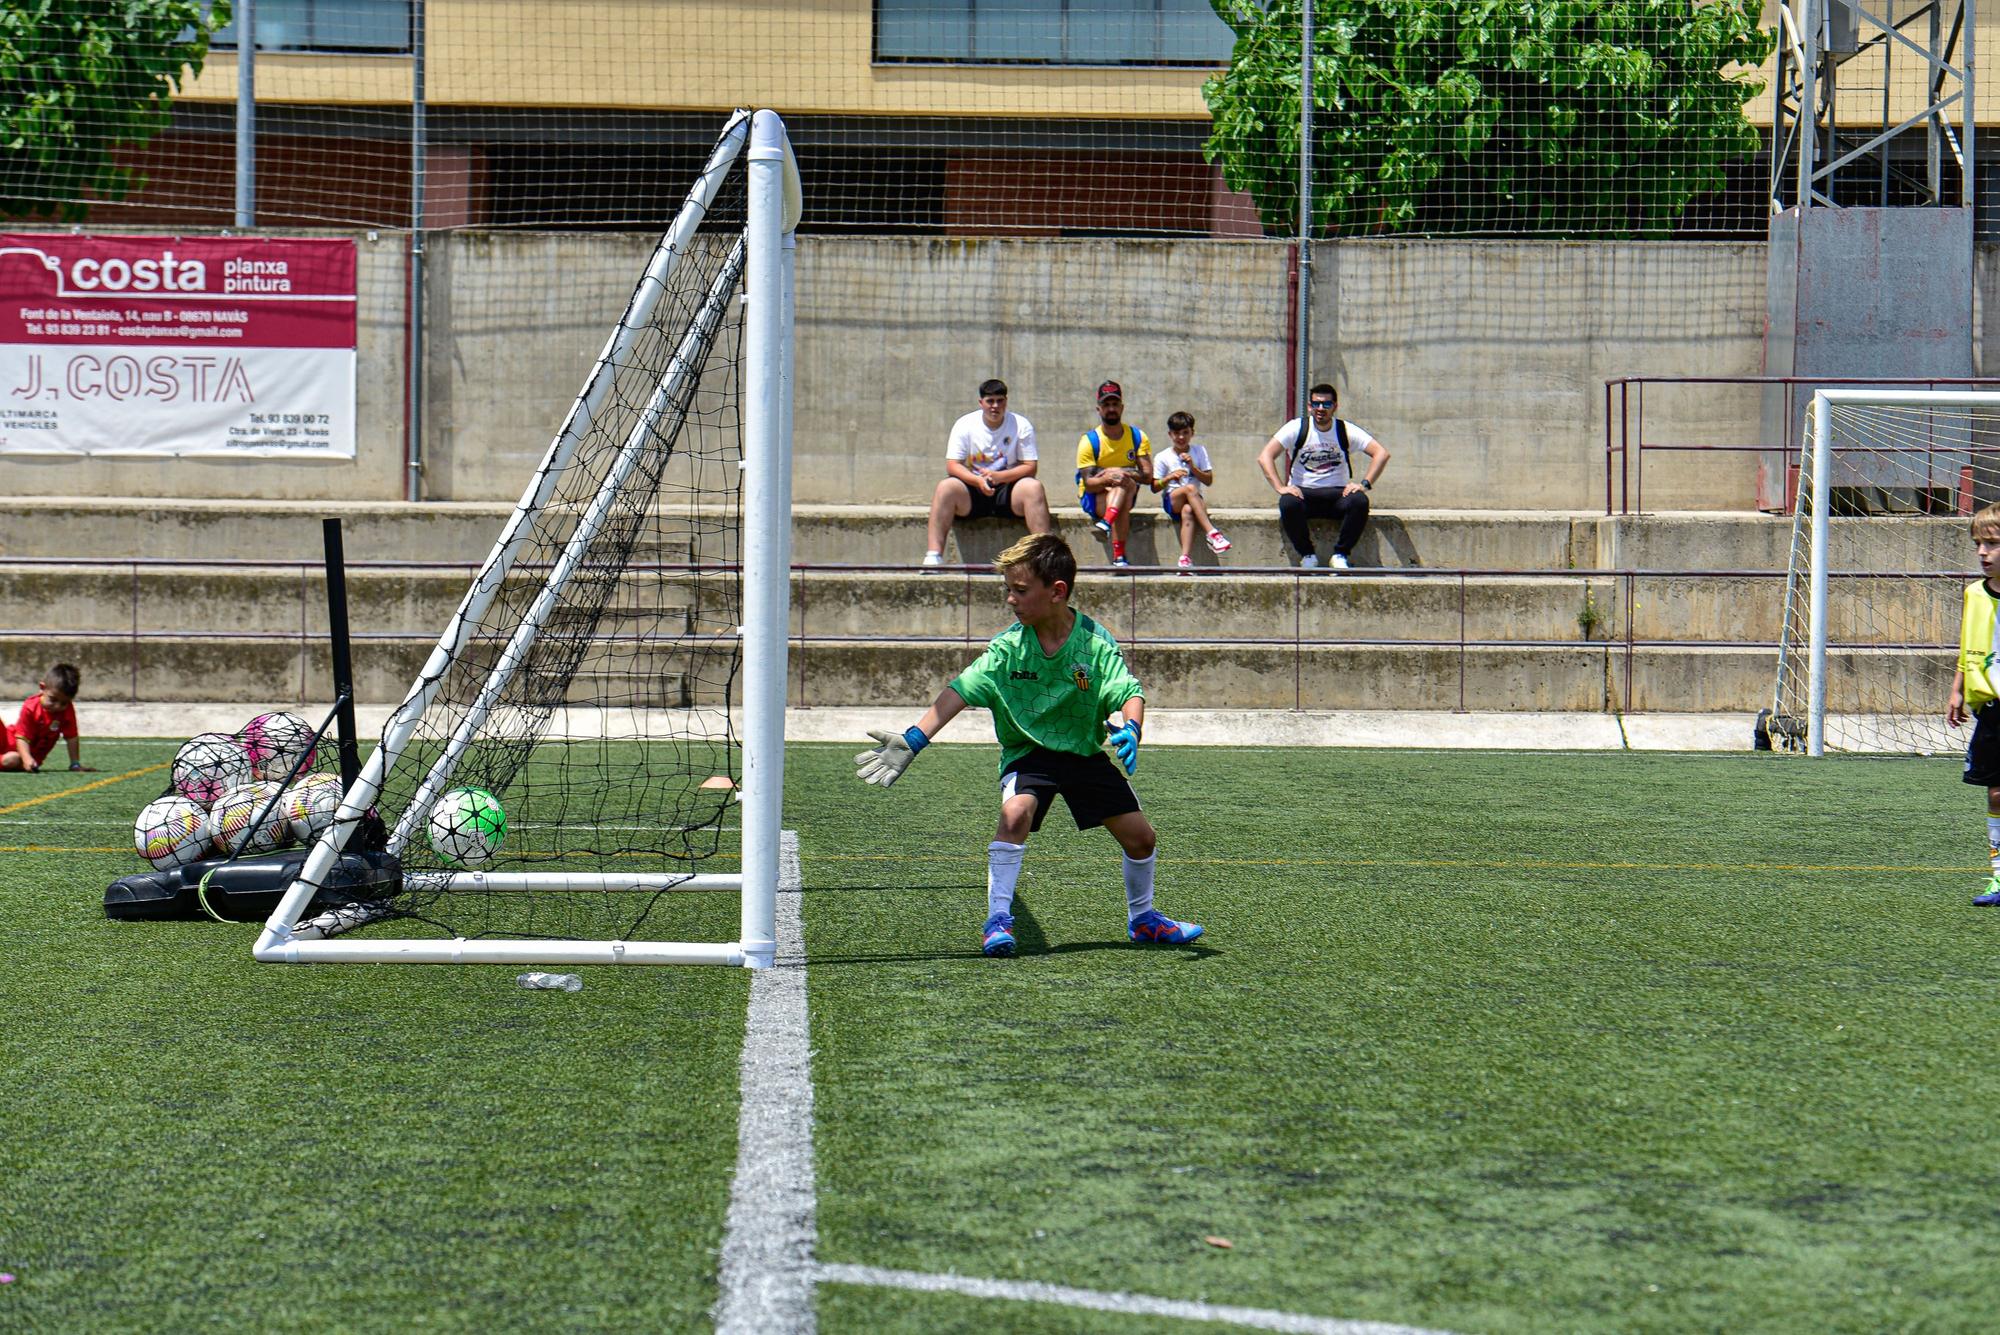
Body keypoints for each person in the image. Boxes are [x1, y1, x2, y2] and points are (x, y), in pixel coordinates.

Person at [853, 532, 1204, 956]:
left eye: (1020, 590)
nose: (1010, 600)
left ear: (1057, 592)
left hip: (1083, 753)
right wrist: (914, 739)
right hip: (1030, 754)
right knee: (1015, 812)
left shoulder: (1094, 643)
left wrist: (1132, 727)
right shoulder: (1007, 650)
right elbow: (959, 691)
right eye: (1008, 590)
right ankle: (997, 920)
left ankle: (1143, 920)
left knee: (1141, 839)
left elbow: (1125, 688)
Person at [1256, 382, 1391, 569]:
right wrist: (1280, 487)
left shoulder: (1344, 429)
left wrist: (1364, 484)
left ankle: (1340, 555)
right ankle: (1308, 555)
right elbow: (1265, 457)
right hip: (1304, 495)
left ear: (1335, 406)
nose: (1321, 409)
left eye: (1327, 404)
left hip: (1337, 496)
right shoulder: (1297, 428)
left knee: (1360, 501)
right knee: (1287, 502)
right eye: (1316, 404)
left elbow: (1381, 453)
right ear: (1309, 406)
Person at [923, 378, 1053, 567]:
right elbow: (952, 465)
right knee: (946, 487)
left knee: (1033, 487)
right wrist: (977, 481)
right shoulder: (965, 424)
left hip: (1008, 490)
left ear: (1006, 402)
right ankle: (933, 556)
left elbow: (1030, 466)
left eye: (1000, 401)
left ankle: (1044, 558)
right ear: (981, 403)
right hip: (972, 490)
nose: (995, 406)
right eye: (990, 401)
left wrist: (1000, 477)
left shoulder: (1021, 425)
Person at [1947, 502, 2000, 904]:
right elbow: (1969, 646)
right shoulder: (1973, 594)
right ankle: (1998, 877)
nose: (1983, 552)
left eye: (1993, 544)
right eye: (1979, 544)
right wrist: (1958, 689)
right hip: (1993, 709)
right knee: (1996, 792)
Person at [1075, 380, 1150, 568]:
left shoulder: (1137, 437)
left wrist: (1120, 472)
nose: (1111, 409)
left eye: (1115, 404)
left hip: (1123, 493)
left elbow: (1148, 476)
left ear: (1122, 407)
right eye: (1106, 405)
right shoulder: (1089, 441)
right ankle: (1119, 557)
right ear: (1098, 409)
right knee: (1123, 497)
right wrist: (1108, 477)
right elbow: (1089, 483)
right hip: (1095, 497)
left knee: (1125, 484)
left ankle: (1107, 522)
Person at [1152, 410, 1231, 571]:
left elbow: (1208, 480)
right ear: (1170, 434)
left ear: (1192, 433)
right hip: (1173, 499)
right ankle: (1213, 534)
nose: (1181, 437)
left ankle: (1185, 559)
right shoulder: (1162, 456)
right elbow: (1154, 486)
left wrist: (1193, 467)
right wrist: (1169, 477)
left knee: (1188, 510)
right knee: (1190, 488)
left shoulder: (1199, 451)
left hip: (1193, 500)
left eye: (1185, 433)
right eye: (1176, 433)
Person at [4, 662, 91, 772]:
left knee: (12, 759)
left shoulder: (67, 710)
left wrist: (75, 764)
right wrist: (26, 758)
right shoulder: (31, 706)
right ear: (42, 688)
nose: (57, 706)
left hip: (25, 758)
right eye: (53, 700)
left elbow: (72, 737)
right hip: (8, 742)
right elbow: (21, 737)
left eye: (64, 703)